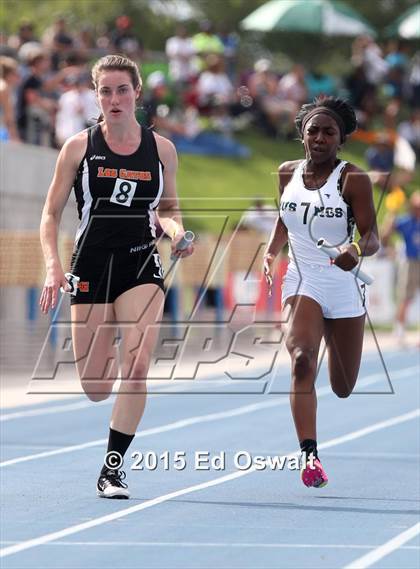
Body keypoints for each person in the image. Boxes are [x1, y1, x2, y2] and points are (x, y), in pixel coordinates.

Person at [39, 54, 193, 499]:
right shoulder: (78, 148)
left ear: (137, 93)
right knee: (94, 386)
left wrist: (179, 234)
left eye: (122, 89)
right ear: (96, 96)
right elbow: (49, 214)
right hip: (90, 265)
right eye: (105, 91)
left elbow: (168, 210)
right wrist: (52, 265)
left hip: (140, 262)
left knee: (139, 365)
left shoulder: (161, 149)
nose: (114, 98)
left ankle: (112, 469)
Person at [263, 96, 379, 488]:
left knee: (343, 386)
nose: (320, 138)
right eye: (313, 130)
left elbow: (372, 236)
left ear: (341, 139)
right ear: (302, 135)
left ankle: (331, 334)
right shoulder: (286, 173)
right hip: (302, 278)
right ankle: (309, 457)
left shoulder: (353, 179)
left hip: (343, 283)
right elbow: (285, 217)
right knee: (300, 361)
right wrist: (271, 249)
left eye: (329, 132)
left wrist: (355, 250)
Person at [382, 191, 420, 345]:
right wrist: (392, 213)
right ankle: (399, 331)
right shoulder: (406, 221)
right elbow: (385, 235)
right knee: (405, 297)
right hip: (410, 262)